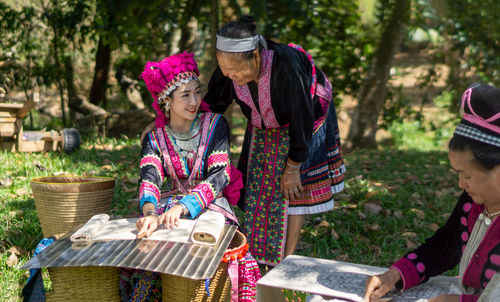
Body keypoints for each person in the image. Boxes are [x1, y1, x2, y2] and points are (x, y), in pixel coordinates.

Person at [201, 16, 346, 266]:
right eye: (225, 70)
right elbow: (213, 106)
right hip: (264, 120)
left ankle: (285, 262)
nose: (230, 76)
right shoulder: (228, 70)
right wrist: (168, 122)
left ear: (256, 56)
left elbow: (302, 118)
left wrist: (293, 167)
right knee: (255, 183)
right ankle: (255, 254)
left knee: (292, 190)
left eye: (235, 70)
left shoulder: (287, 68)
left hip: (306, 116)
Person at [120, 52, 260, 301]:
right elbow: (149, 179)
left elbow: (220, 174)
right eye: (185, 95)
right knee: (148, 252)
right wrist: (151, 214)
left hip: (211, 205)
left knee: (213, 246)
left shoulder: (216, 125)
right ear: (166, 101)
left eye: (197, 92)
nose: (194, 100)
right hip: (168, 207)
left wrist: (184, 207)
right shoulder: (155, 138)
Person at [364, 83, 500, 302]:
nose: (460, 184)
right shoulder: (473, 203)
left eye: (467, 175)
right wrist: (396, 274)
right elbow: (446, 246)